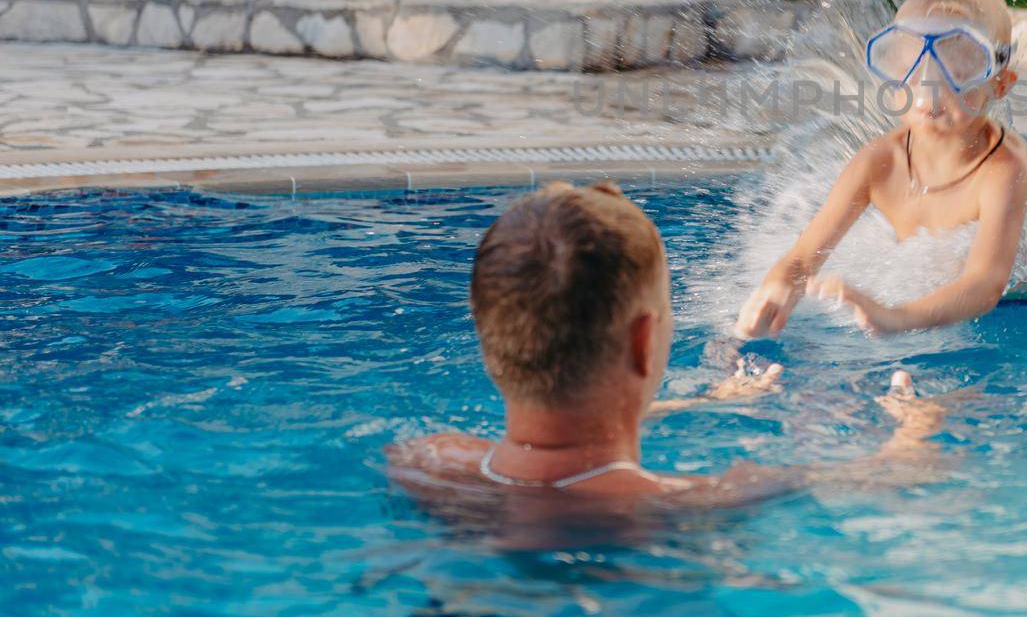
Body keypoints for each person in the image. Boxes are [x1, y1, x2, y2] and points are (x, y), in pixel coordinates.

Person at [387, 181, 942, 520]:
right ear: (645, 340)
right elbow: (894, 473)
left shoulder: (427, 461)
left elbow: (558, 448)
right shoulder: (685, 500)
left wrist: (700, 401)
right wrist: (915, 425)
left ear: (489, 338)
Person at [737, 0, 1027, 339]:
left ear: (999, 84)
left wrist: (896, 317)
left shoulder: (1004, 170)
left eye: (956, 76)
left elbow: (984, 284)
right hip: (949, 304)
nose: (929, 93)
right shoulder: (879, 163)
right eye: (911, 71)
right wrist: (778, 289)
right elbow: (801, 258)